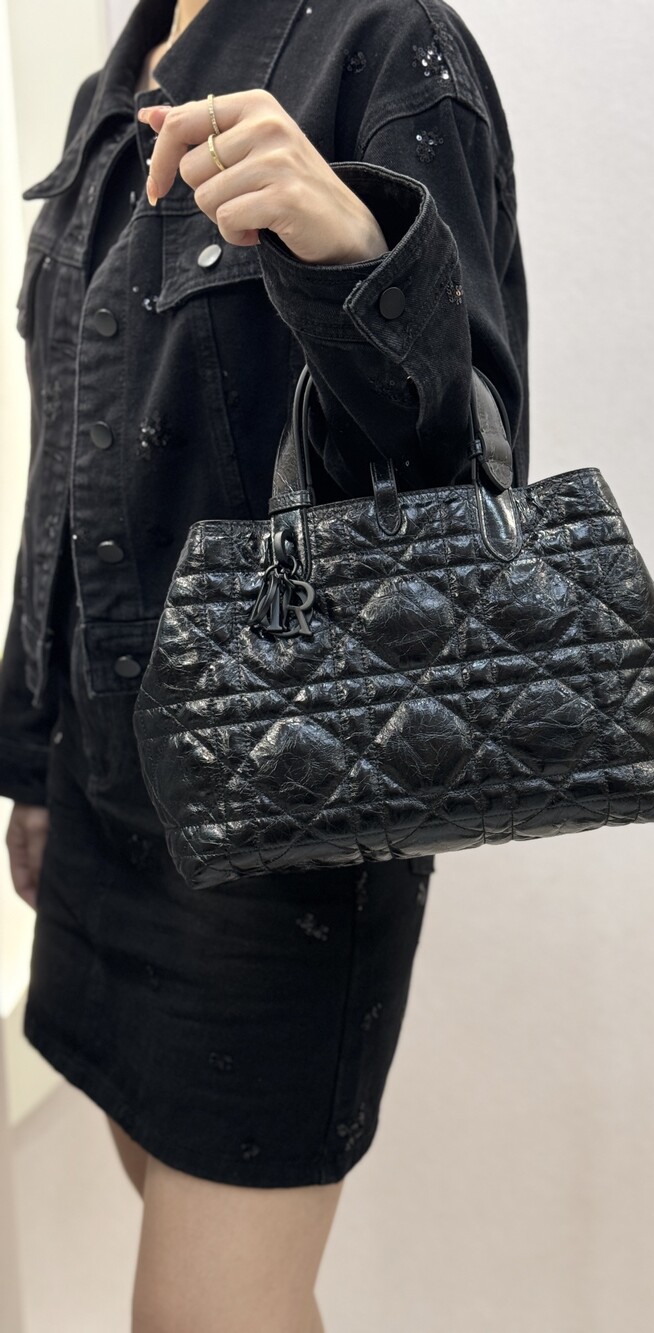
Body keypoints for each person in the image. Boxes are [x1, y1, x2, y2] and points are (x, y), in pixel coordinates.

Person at [0, 0, 528, 1327]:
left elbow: (466, 487)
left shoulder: (388, 46)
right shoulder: (116, 86)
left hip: (279, 818)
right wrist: (32, 762)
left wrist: (356, 257)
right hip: (101, 799)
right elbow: (66, 463)